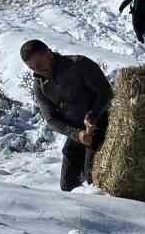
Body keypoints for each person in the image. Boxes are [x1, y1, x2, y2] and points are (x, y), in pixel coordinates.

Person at [21, 39, 112, 192]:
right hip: (77, 133)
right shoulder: (39, 85)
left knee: (93, 180)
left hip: (100, 124)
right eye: (31, 67)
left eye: (39, 64)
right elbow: (51, 119)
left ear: (48, 53)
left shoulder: (79, 64)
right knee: (67, 185)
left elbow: (105, 92)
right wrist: (77, 134)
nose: (36, 70)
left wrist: (93, 115)